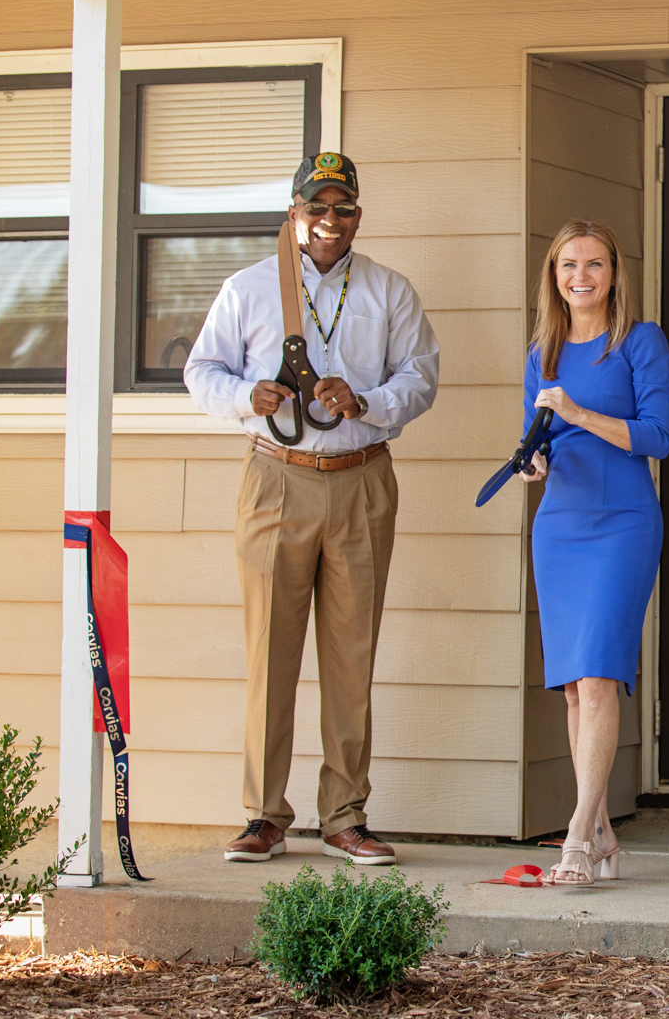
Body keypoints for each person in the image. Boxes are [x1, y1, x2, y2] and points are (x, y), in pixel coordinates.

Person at [186, 152, 440, 867]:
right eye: (317, 208)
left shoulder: (389, 291)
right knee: (270, 648)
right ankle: (264, 815)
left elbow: (420, 377)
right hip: (277, 478)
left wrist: (367, 402)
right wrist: (247, 399)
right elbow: (201, 369)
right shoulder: (249, 288)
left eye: (344, 209)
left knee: (350, 653)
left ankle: (344, 815)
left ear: (359, 213)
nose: (331, 222)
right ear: (295, 211)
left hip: (361, 478)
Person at [518, 221, 669, 886]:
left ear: (614, 273)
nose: (579, 277)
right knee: (574, 688)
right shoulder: (542, 353)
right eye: (566, 266)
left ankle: (578, 834)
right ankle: (604, 831)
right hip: (560, 525)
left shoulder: (640, 342)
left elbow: (658, 436)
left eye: (593, 265)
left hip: (623, 523)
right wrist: (534, 458)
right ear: (553, 276)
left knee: (601, 675)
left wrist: (579, 414)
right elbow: (540, 439)